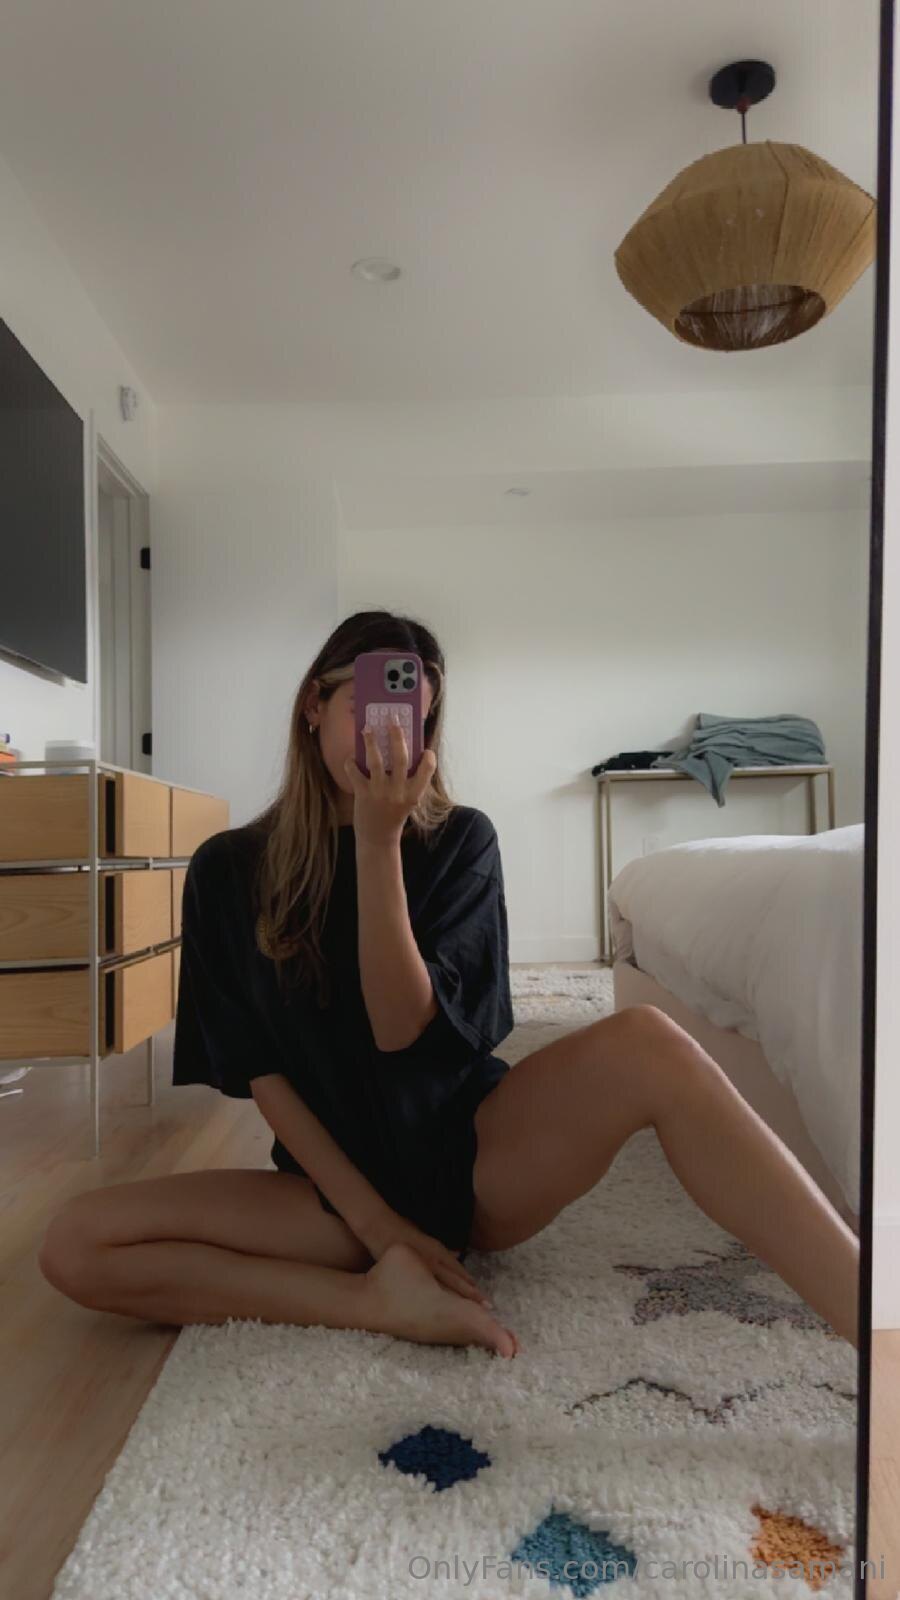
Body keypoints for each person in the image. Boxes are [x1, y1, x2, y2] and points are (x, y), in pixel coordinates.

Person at [38, 610, 859, 1359]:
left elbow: (403, 1030)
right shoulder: (227, 869)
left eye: (414, 715)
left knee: (651, 1044)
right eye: (367, 702)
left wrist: (378, 845)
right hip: (329, 1199)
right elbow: (263, 1073)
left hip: (476, 1164)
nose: (390, 729)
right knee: (75, 1244)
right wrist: (378, 1231)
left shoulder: (462, 841)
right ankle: (373, 1303)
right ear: (312, 706)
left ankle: (870, 1319)